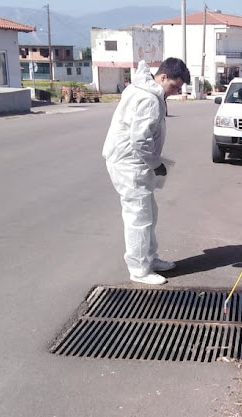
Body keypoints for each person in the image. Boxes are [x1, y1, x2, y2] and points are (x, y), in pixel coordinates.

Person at [102, 57, 190, 285]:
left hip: (132, 162)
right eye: (174, 86)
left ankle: (149, 258)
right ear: (162, 77)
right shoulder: (148, 98)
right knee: (139, 217)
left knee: (149, 212)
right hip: (130, 164)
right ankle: (139, 270)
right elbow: (140, 140)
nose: (174, 92)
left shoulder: (143, 88)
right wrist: (156, 164)